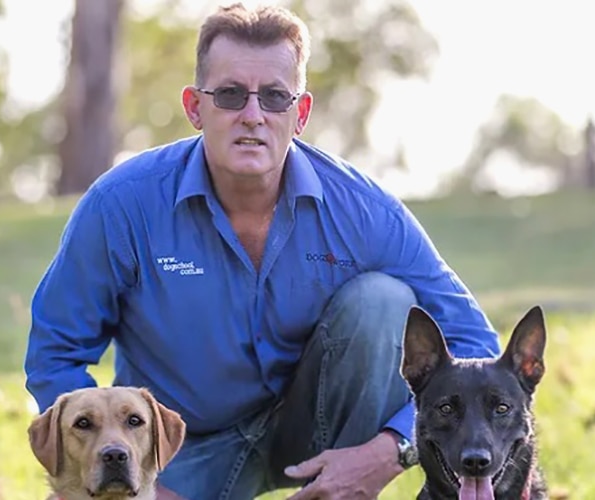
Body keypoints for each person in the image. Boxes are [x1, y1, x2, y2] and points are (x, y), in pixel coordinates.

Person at [24, 3, 500, 499]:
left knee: (383, 301)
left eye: (274, 97)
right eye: (230, 95)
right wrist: (135, 471)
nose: (252, 116)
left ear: (301, 113)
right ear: (194, 106)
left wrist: (390, 449)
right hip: (181, 448)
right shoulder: (122, 205)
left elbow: (474, 343)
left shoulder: (363, 211)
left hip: (318, 434)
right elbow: (55, 352)